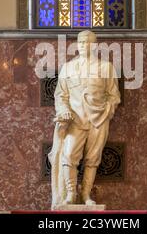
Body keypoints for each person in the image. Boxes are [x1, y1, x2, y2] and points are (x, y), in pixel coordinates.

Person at [49, 30, 121, 209]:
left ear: (95, 45)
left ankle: (86, 194)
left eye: (88, 42)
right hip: (75, 120)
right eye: (81, 42)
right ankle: (71, 194)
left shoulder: (106, 67)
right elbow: (61, 95)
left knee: (92, 158)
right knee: (69, 154)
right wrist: (64, 110)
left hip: (99, 118)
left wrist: (107, 111)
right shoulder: (67, 68)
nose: (83, 45)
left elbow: (114, 95)